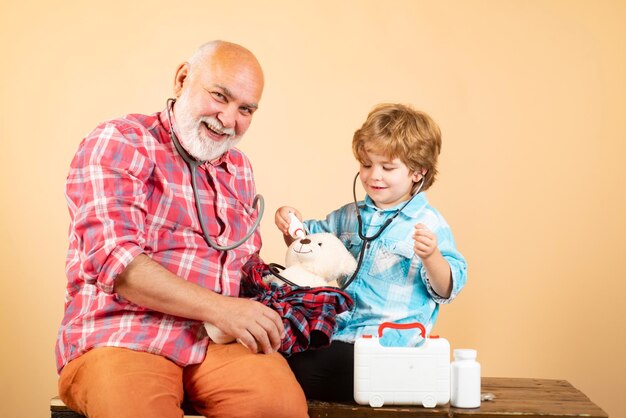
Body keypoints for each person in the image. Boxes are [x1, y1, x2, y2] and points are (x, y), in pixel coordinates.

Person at [55, 40, 308, 418]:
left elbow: (241, 266)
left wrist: (293, 269)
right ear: (182, 78)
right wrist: (224, 309)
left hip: (216, 339)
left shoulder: (238, 168)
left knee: (279, 407)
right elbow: (118, 265)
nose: (227, 119)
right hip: (124, 334)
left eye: (245, 109)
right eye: (219, 96)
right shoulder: (120, 141)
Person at [274, 103, 468, 401]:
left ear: (418, 172)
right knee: (284, 358)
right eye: (366, 165)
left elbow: (447, 288)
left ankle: (397, 388)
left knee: (303, 373)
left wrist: (432, 258)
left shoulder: (429, 224)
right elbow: (308, 247)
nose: (373, 175)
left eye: (387, 168)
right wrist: (290, 223)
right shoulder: (349, 216)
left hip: (388, 344)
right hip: (339, 333)